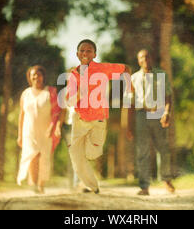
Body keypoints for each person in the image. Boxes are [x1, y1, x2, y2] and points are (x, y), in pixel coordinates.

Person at [61, 39, 131, 194]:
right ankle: (92, 186)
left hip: (98, 120)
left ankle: (85, 156)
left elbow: (126, 68)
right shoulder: (73, 75)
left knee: (92, 153)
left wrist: (128, 88)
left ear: (94, 54)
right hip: (80, 120)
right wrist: (81, 92)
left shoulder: (102, 68)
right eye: (82, 51)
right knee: (77, 159)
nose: (85, 53)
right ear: (77, 54)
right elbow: (70, 100)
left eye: (89, 51)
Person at [126, 49, 175, 196]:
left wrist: (167, 113)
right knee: (143, 151)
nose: (145, 59)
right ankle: (144, 186)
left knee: (163, 149)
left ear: (151, 58)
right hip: (141, 115)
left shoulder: (161, 75)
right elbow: (130, 104)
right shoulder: (133, 78)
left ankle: (166, 180)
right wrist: (129, 126)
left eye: (147, 56)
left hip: (158, 113)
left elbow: (168, 96)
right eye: (141, 57)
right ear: (138, 61)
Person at [17, 65, 61, 194]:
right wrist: (19, 135)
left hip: (46, 131)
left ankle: (41, 184)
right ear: (29, 78)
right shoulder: (25, 94)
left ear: (43, 76)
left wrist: (52, 127)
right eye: (33, 75)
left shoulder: (51, 92)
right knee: (32, 156)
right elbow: (22, 115)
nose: (36, 77)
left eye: (39, 74)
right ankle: (34, 184)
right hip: (29, 131)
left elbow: (56, 112)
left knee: (44, 157)